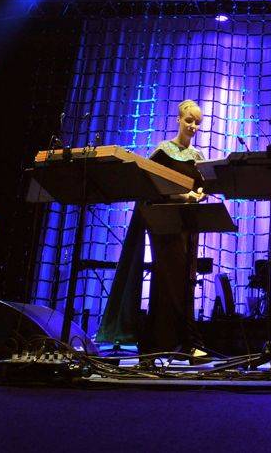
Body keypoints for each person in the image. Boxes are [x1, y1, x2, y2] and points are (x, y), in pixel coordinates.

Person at [98, 100, 206, 356]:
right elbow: (151, 186)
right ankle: (168, 341)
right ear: (179, 119)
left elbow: (201, 188)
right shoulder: (163, 151)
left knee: (185, 279)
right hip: (164, 221)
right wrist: (183, 196)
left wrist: (197, 196)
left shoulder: (198, 157)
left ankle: (179, 341)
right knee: (168, 276)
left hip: (187, 224)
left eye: (197, 123)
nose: (192, 126)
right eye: (189, 120)